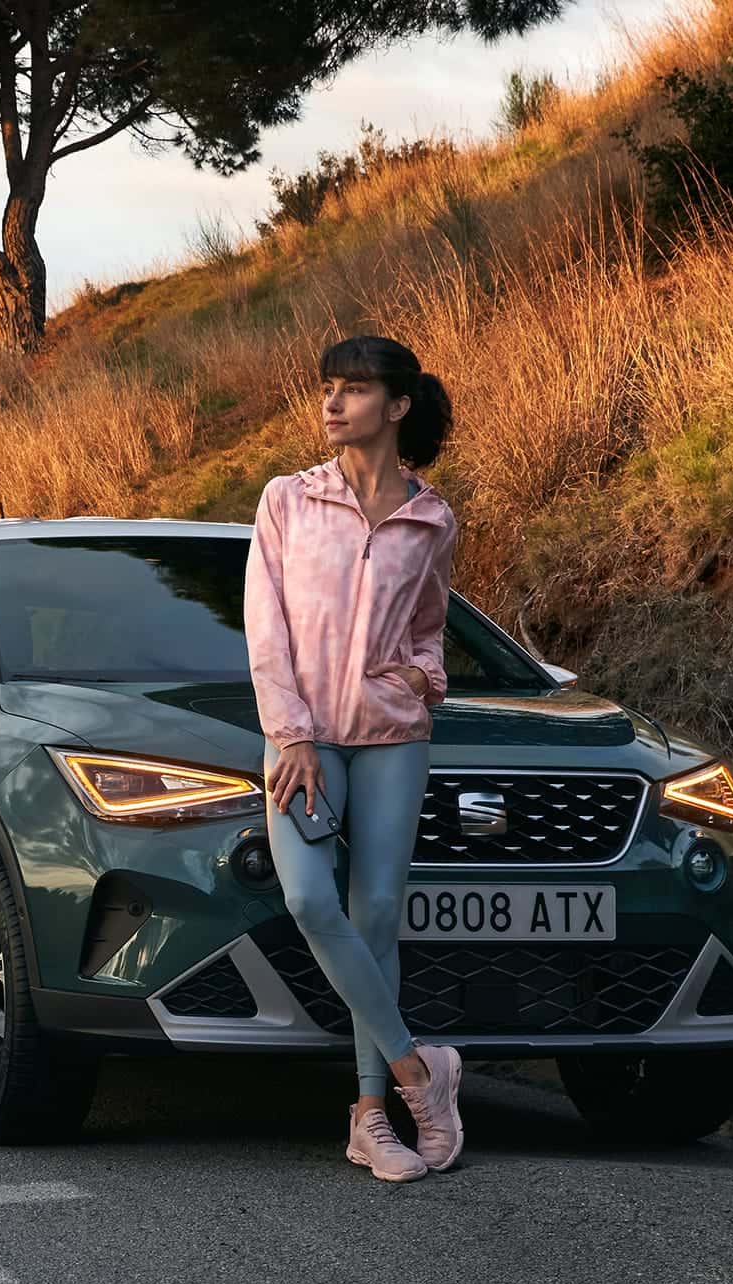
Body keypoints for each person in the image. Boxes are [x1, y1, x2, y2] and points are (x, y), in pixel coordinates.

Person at [242, 335, 466, 1183]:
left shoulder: (431, 517)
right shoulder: (288, 502)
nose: (333, 402)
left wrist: (419, 678)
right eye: (328, 387)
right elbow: (266, 626)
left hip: (392, 735)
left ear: (397, 406)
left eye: (355, 389)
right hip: (301, 736)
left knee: (376, 914)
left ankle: (372, 1118)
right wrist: (291, 731)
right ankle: (421, 1071)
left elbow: (429, 625)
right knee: (307, 897)